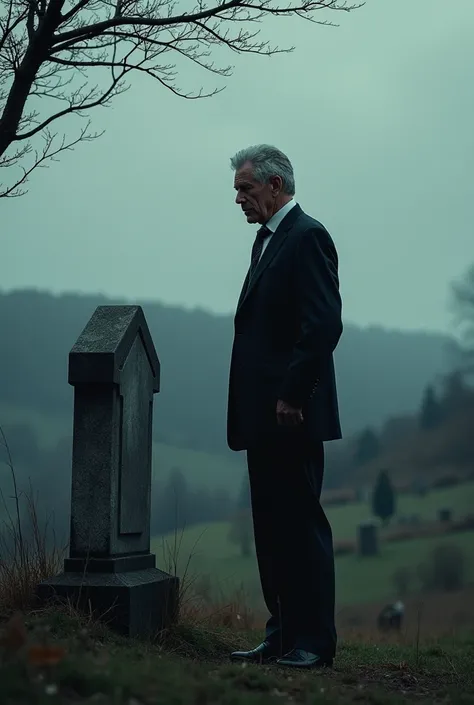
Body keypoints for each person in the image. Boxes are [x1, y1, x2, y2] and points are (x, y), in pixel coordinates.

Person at [227, 145, 343, 669]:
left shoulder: (308, 236)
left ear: (275, 187)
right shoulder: (266, 241)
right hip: (263, 419)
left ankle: (314, 644)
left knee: (300, 527)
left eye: (246, 190)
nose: (239, 200)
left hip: (292, 415)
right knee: (271, 530)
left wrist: (293, 394)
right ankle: (281, 635)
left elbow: (321, 325)